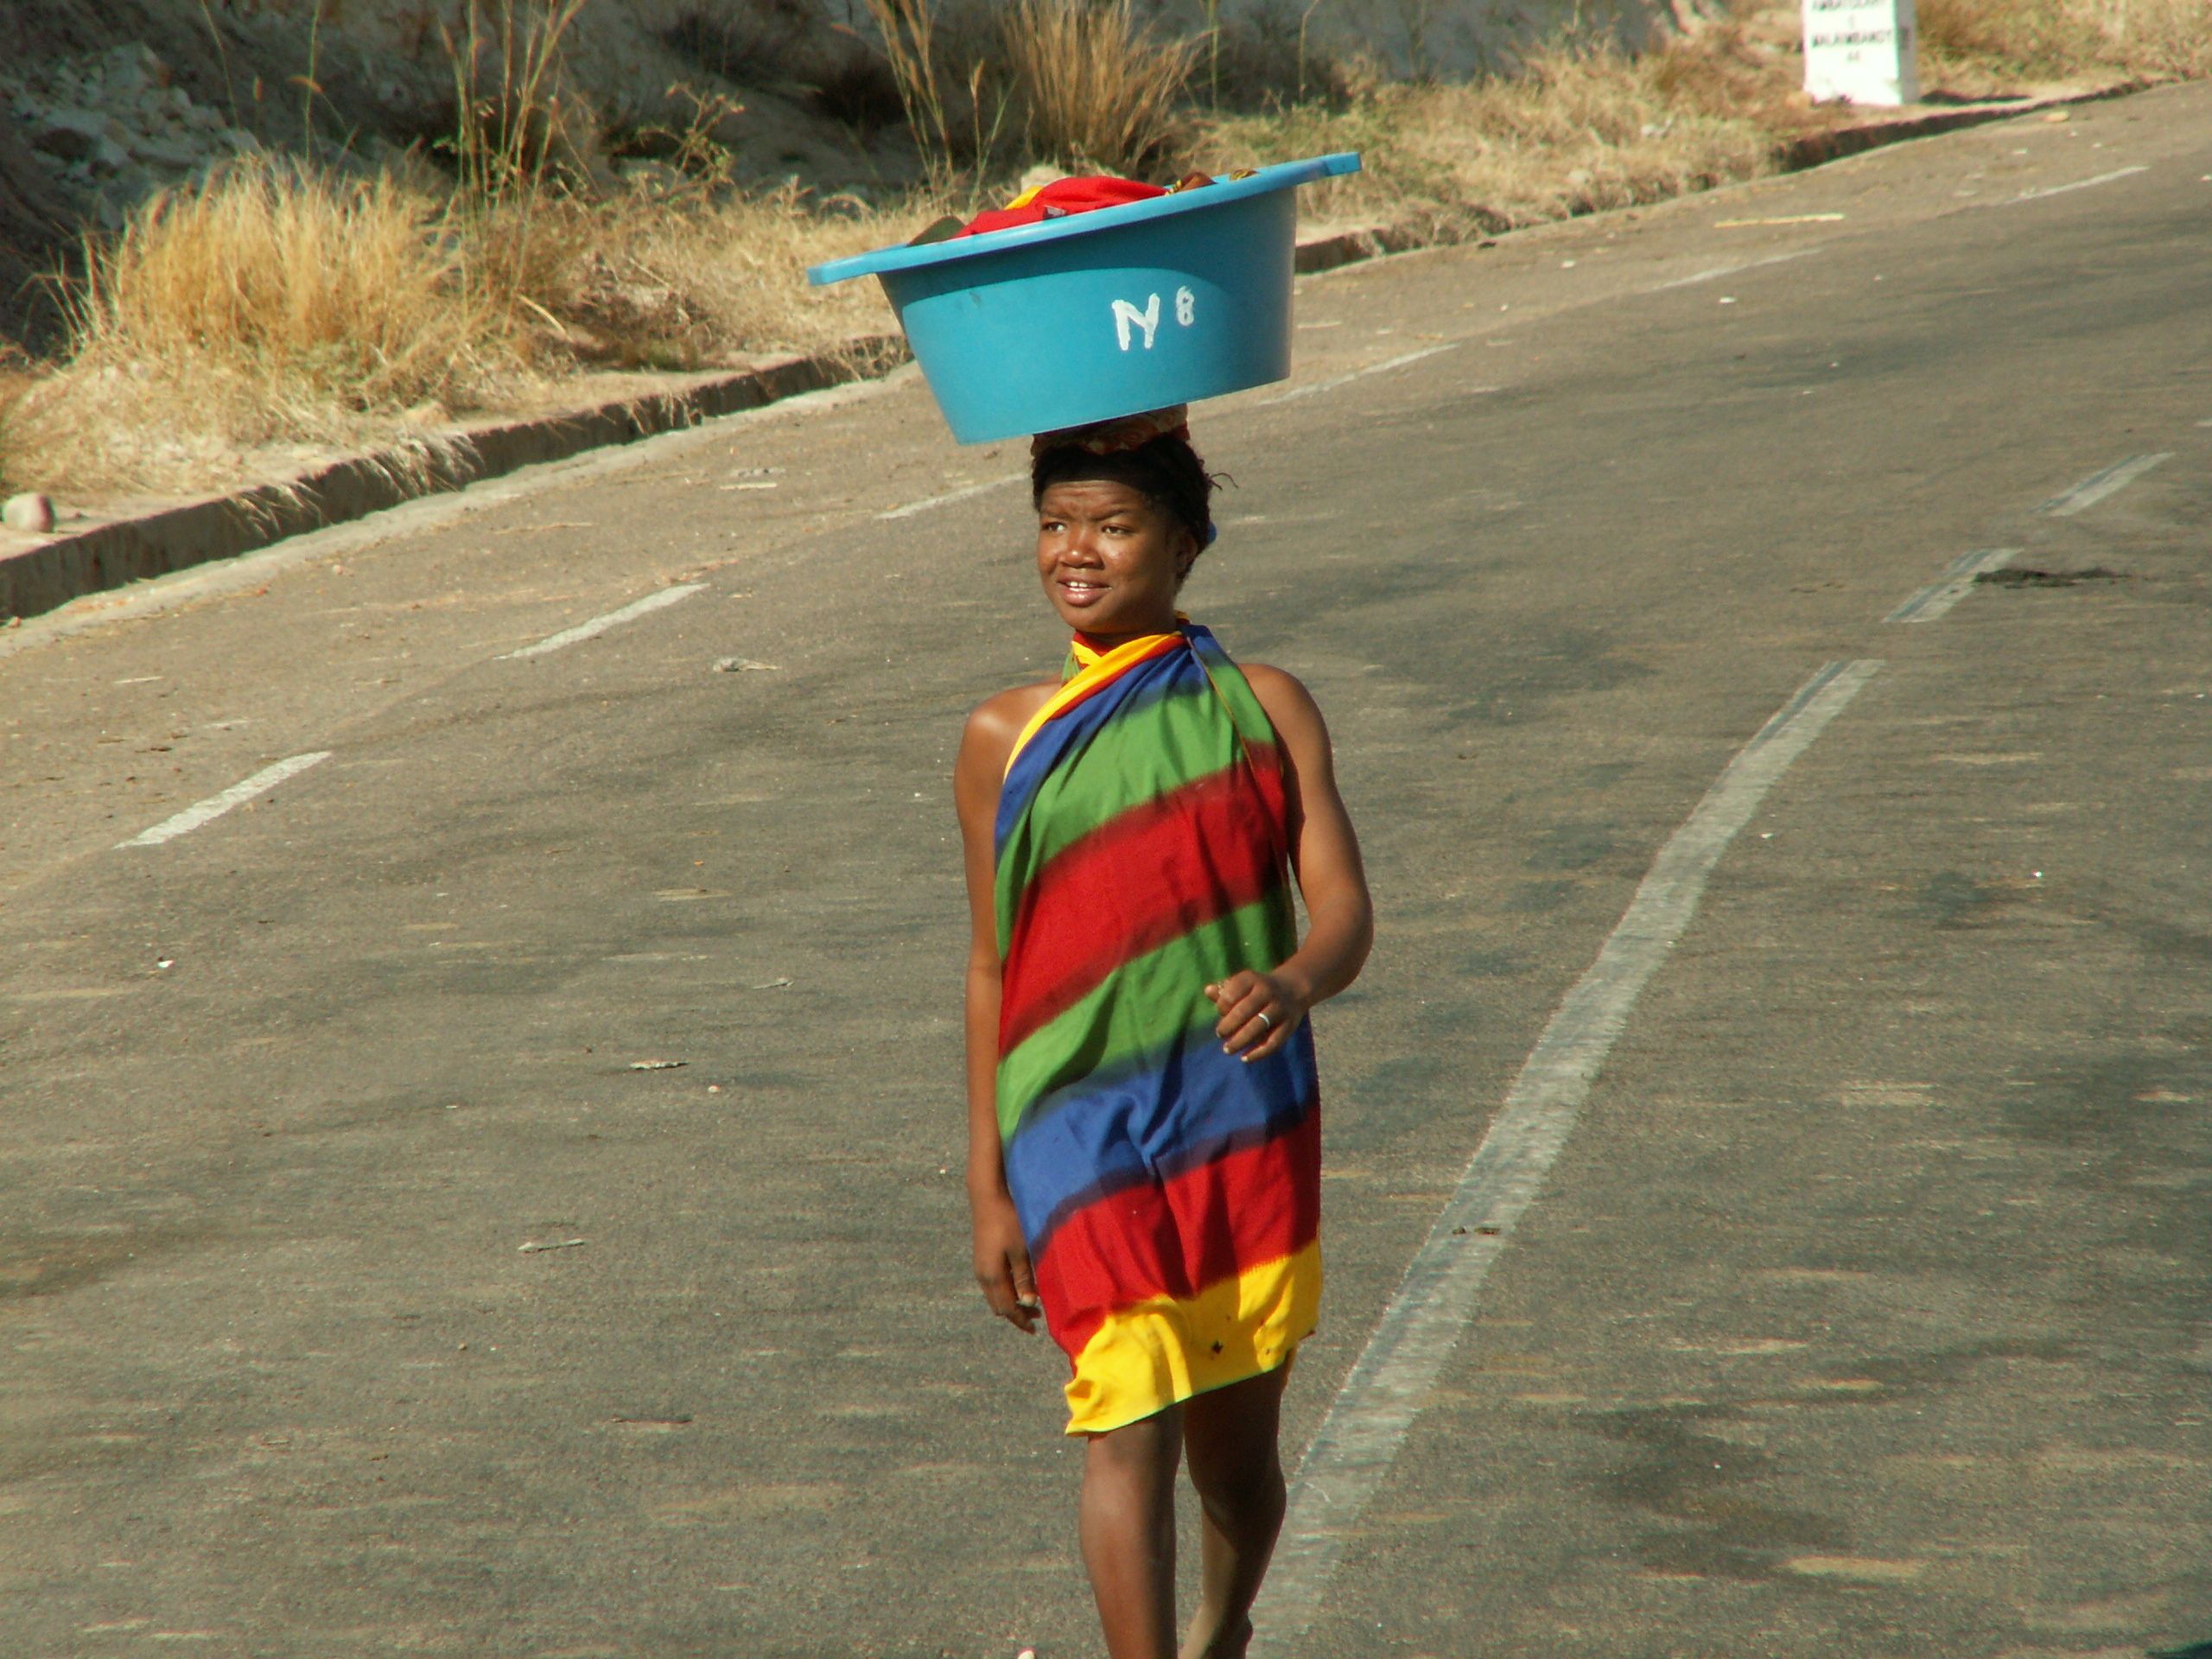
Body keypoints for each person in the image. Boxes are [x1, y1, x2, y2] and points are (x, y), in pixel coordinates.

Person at [952, 406, 1374, 1659]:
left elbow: (1344, 909)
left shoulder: (1266, 707)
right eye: (1054, 525)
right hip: (1072, 1130)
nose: (1076, 551)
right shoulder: (999, 739)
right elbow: (989, 968)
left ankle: (1223, 1630)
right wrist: (987, 1187)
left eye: (1113, 525)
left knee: (1234, 1466)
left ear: (1186, 546)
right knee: (1124, 1415)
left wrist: (1295, 981)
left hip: (1236, 1117)